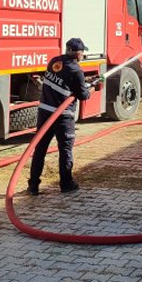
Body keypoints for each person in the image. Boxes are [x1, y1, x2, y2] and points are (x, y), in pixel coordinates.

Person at [28, 38, 98, 195]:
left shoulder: (54, 61)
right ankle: (66, 184)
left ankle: (33, 186)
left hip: (45, 112)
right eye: (82, 52)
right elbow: (83, 95)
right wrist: (94, 86)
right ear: (77, 53)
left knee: (40, 149)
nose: (83, 55)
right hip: (63, 116)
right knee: (65, 149)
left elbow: (64, 80)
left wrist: (86, 81)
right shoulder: (76, 71)